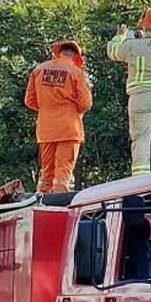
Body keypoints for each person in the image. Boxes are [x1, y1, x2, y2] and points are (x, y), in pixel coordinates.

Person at [107, 9, 151, 175]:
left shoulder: (133, 45)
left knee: (141, 138)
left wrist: (120, 36)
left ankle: (141, 180)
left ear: (144, 27)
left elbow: (113, 52)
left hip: (140, 97)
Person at [24, 40, 93, 194]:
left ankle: (41, 204)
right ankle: (59, 206)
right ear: (75, 55)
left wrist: (47, 109)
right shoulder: (76, 72)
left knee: (47, 174)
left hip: (46, 129)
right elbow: (86, 103)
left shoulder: (38, 70)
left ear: (58, 52)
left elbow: (29, 101)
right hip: (69, 129)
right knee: (63, 174)